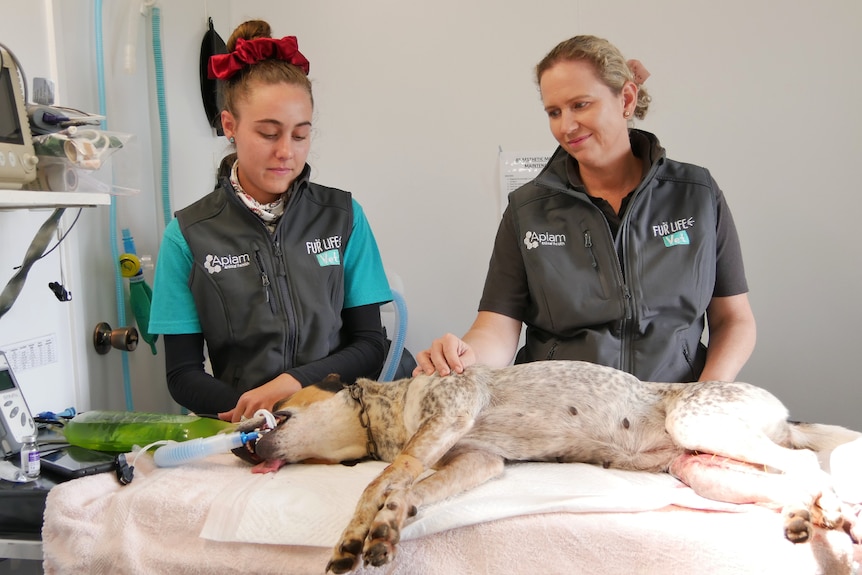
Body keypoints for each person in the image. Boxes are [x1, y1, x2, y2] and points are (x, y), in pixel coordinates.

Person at [416, 35, 756, 383]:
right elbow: (497, 327)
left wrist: (707, 394)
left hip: (671, 404)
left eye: (580, 105)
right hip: (563, 412)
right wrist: (465, 358)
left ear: (625, 98)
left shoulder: (697, 194)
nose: (566, 126)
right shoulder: (527, 210)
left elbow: (734, 319)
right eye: (554, 112)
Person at [149, 20, 393, 422]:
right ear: (230, 126)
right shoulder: (188, 236)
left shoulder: (343, 217)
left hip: (339, 422)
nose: (286, 152)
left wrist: (295, 384)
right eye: (268, 133)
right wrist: (251, 410)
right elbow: (182, 374)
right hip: (245, 427)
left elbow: (369, 345)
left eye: (300, 135)